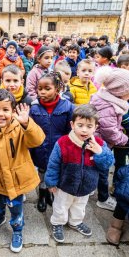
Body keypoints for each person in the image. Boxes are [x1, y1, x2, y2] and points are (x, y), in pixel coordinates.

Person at [0, 89, 45, 252]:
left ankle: (17, 230)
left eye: (5, 110)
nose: (0, 114)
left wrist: (26, 123)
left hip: (16, 181)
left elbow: (37, 140)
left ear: (13, 111)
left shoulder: (20, 129)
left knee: (16, 209)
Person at [45, 104, 114, 242]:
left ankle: (75, 222)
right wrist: (51, 182)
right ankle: (58, 223)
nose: (84, 130)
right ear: (72, 124)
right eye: (80, 125)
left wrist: (99, 152)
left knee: (79, 206)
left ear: (96, 127)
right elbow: (53, 165)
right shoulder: (63, 143)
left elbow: (107, 164)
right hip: (64, 186)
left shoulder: (100, 144)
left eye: (89, 126)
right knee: (61, 206)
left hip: (86, 187)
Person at [90, 67, 129, 211]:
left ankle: (92, 187)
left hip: (99, 141)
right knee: (103, 171)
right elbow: (109, 131)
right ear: (119, 91)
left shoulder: (107, 97)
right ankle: (103, 198)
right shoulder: (108, 106)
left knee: (96, 168)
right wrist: (123, 138)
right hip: (100, 144)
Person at [29, 72, 75, 212]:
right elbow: (31, 131)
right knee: (42, 173)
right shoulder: (34, 107)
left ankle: (50, 192)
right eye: (40, 88)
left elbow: (70, 131)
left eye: (47, 88)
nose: (42, 92)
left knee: (54, 172)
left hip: (58, 149)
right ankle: (42, 195)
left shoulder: (68, 107)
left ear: (57, 89)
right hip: (40, 149)